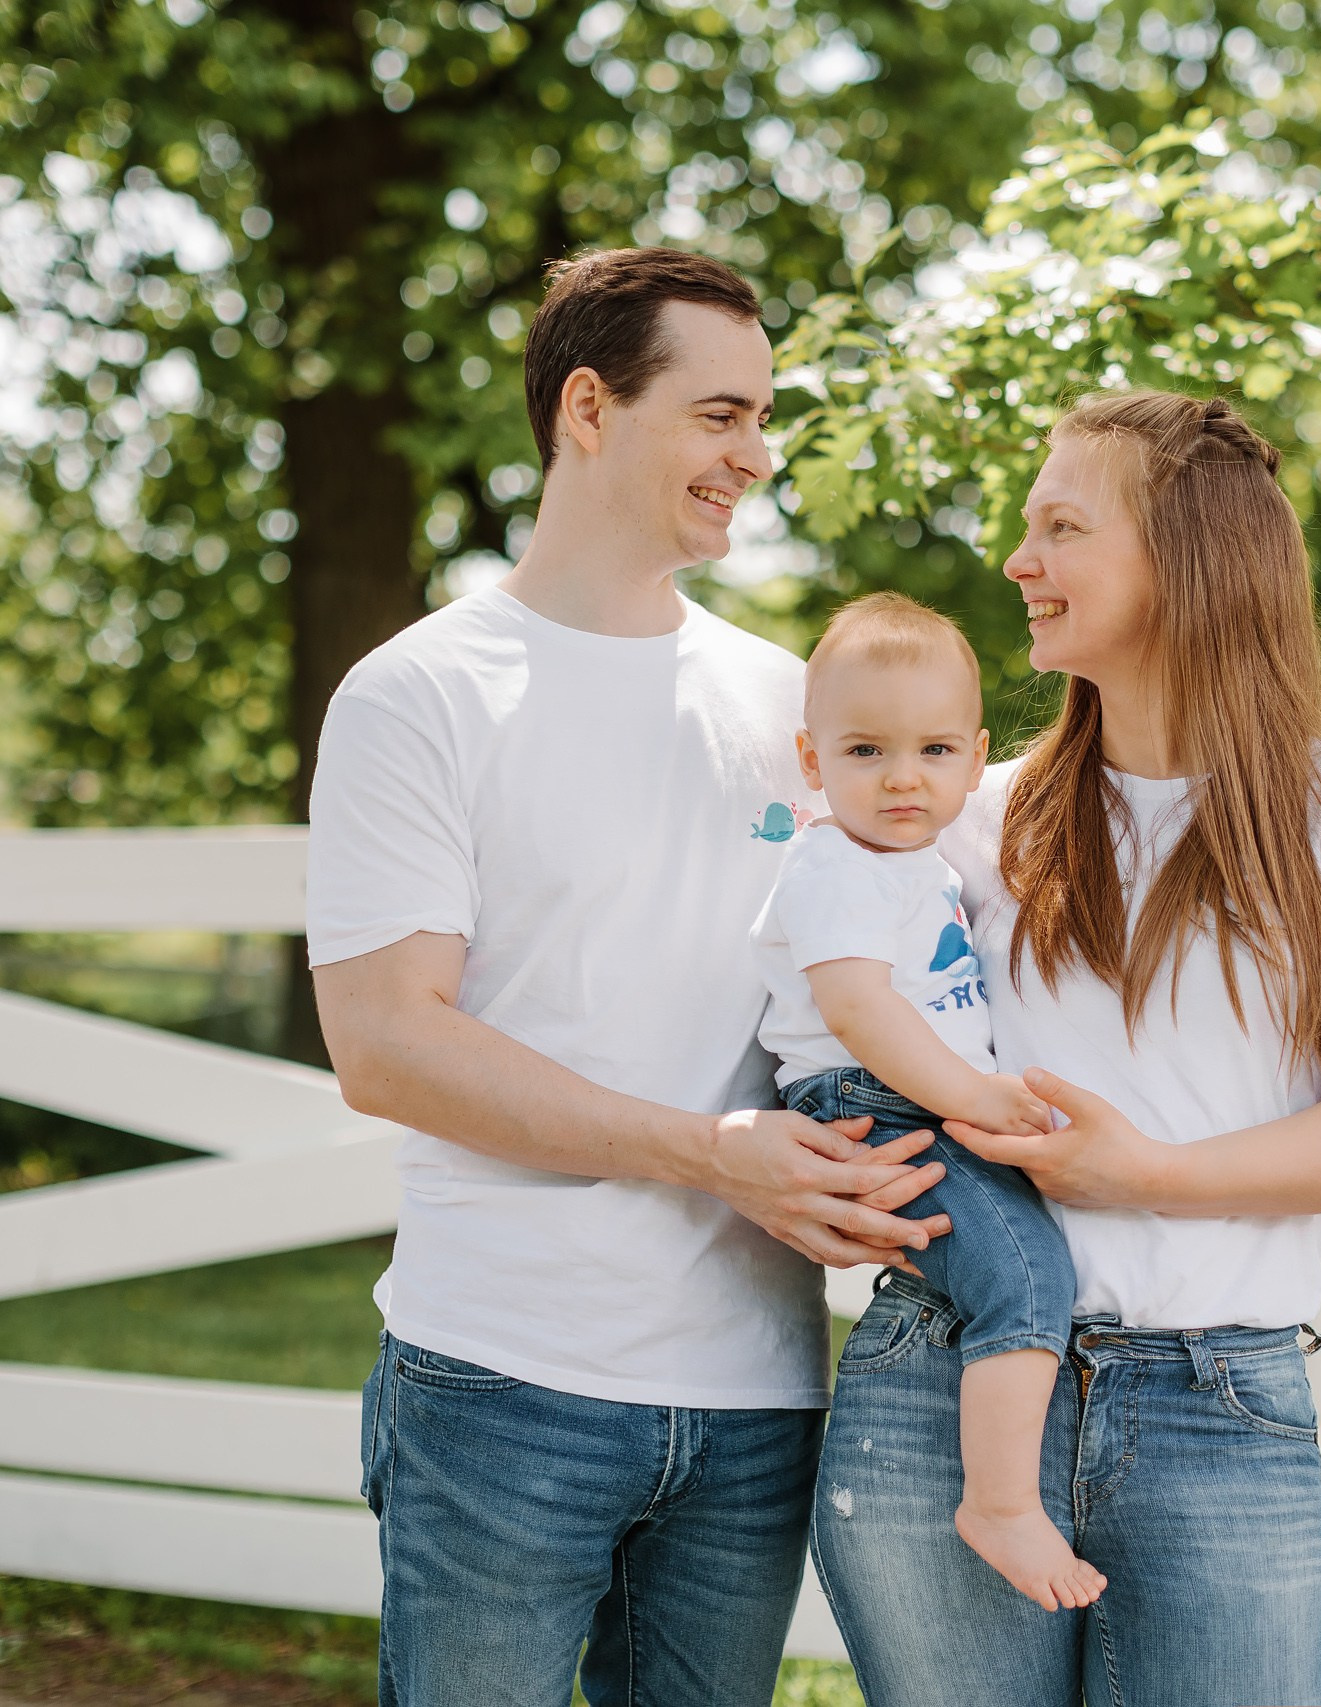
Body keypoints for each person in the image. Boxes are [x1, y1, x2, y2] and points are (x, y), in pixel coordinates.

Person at [304, 247, 948, 1707]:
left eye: (762, 416)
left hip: (758, 1392)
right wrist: (711, 1157)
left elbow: (926, 892)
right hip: (503, 1382)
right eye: (721, 414)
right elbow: (387, 1045)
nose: (756, 454)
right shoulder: (418, 695)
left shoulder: (793, 701)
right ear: (589, 407)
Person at [809, 390, 1321, 1707]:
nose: (1018, 560)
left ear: (1185, 560)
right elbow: (807, 982)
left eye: (1061, 526)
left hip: (1213, 1402)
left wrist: (1146, 1173)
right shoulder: (969, 817)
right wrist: (804, 1169)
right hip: (943, 1380)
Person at [752, 592, 1104, 1613]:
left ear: (975, 754)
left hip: (914, 1097)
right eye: (865, 751)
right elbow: (858, 1008)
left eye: (936, 750)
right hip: (874, 1099)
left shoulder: (917, 859)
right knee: (1027, 1274)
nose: (904, 776)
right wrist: (978, 1097)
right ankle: (998, 1503)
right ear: (813, 762)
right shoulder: (830, 862)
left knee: (1017, 1263)